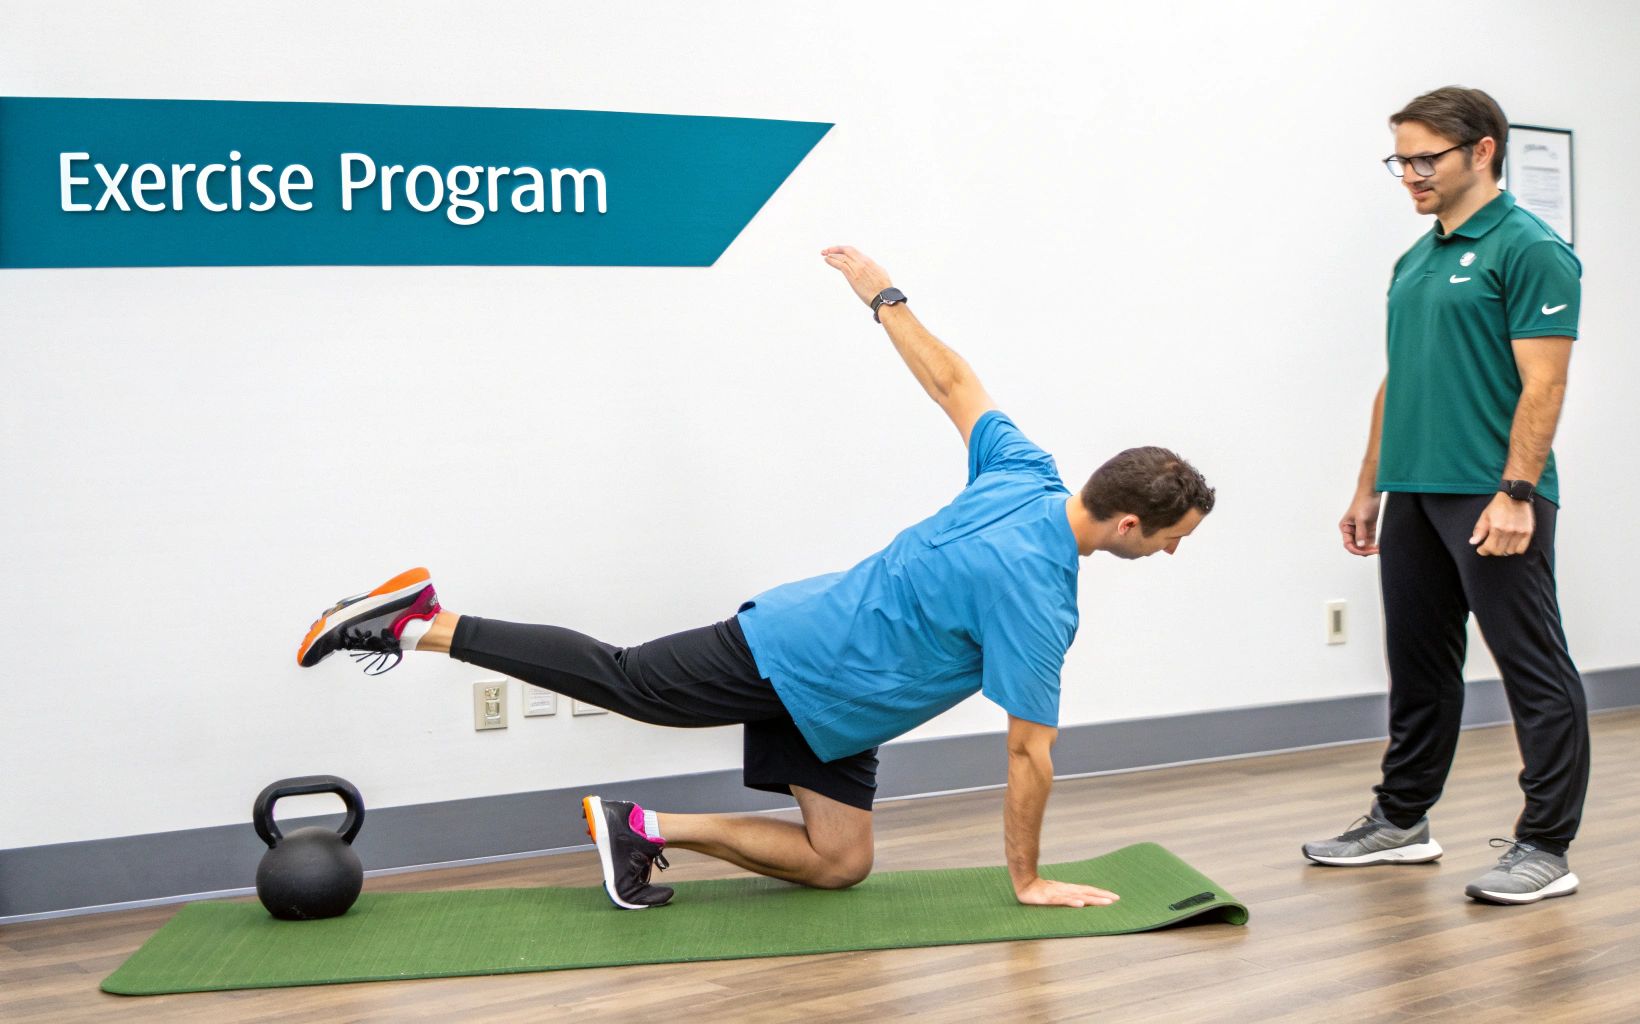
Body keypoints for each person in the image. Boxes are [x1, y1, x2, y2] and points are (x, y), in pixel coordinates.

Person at [296, 246, 1214, 910]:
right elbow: (1027, 756)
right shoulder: (1042, 596)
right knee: (629, 681)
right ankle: (418, 621)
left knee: (841, 863)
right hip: (796, 651)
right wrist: (1027, 878)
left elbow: (952, 383)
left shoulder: (1025, 472)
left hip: (845, 709)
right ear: (1130, 523)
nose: (1173, 553)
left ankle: (641, 829)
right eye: (1174, 538)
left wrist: (883, 294)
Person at [1302, 88, 1590, 905]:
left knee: (1532, 668)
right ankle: (1401, 821)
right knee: (1418, 667)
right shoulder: (1417, 259)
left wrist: (1516, 491)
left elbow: (1545, 383)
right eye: (1400, 160)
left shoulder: (1531, 249)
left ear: (1483, 150)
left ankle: (1546, 845)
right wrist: (1370, 485)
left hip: (1492, 494)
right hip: (1415, 490)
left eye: (1426, 158)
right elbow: (1401, 377)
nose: (1410, 175)